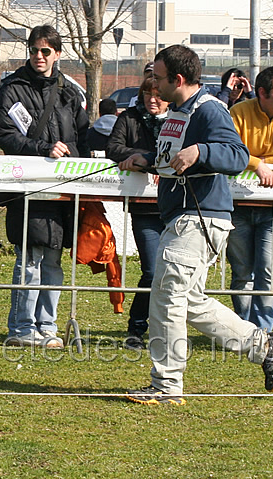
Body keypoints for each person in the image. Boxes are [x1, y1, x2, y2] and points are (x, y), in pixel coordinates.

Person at [118, 44, 273, 405]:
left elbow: (237, 154)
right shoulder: (179, 112)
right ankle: (263, 344)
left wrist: (201, 151)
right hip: (184, 217)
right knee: (189, 300)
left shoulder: (209, 109)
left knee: (167, 298)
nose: (153, 84)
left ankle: (166, 386)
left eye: (157, 77)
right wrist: (143, 158)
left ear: (177, 79)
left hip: (199, 217)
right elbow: (170, 158)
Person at [0, 24, 89, 348]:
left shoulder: (69, 92)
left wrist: (68, 152)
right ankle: (21, 328)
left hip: (62, 192)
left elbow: (83, 139)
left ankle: (47, 327)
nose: (38, 56)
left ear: (57, 54)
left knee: (53, 261)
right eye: (34, 50)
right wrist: (42, 149)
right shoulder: (12, 87)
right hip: (26, 188)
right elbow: (4, 134)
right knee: (29, 258)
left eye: (45, 51)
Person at [106, 75, 168, 350]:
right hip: (144, 208)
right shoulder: (129, 117)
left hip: (178, 206)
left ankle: (166, 327)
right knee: (152, 271)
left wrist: (155, 162)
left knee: (174, 273)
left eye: (158, 94)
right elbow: (113, 148)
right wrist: (146, 160)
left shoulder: (181, 117)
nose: (152, 99)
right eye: (147, 94)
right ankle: (137, 327)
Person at [227, 66, 273, 333]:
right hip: (238, 207)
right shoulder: (238, 113)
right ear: (262, 93)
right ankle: (245, 330)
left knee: (269, 271)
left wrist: (262, 162)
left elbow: (243, 156)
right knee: (242, 273)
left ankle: (262, 331)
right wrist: (255, 164)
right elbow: (230, 151)